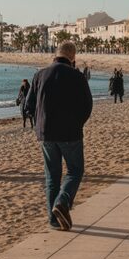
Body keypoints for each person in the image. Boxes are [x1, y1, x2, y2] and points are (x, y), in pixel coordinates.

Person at [23, 41, 93, 231]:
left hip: (46, 134)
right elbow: (87, 106)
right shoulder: (78, 77)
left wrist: (40, 123)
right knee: (74, 171)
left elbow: (28, 106)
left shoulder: (39, 75)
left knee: (52, 177)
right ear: (73, 58)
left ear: (55, 54)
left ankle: (53, 220)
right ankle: (62, 201)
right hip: (70, 133)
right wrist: (77, 122)